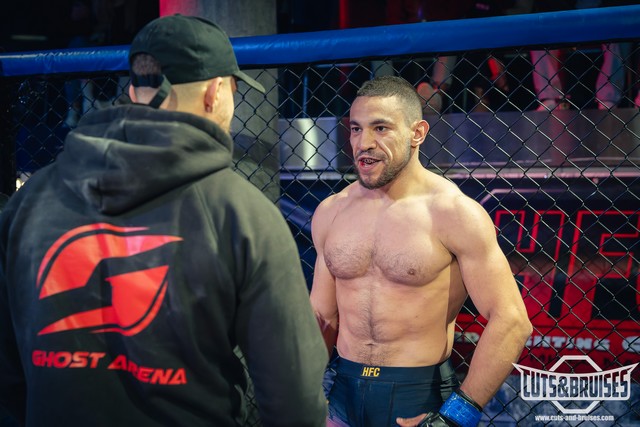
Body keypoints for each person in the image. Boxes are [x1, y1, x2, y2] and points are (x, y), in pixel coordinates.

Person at [0, 14, 328, 427]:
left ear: (134, 89)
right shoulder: (243, 215)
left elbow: (7, 376)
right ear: (215, 92)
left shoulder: (29, 201)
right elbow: (294, 399)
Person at [310, 75, 532, 427]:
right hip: (342, 391)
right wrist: (303, 391)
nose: (364, 143)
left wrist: (456, 417)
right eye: (356, 129)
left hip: (420, 396)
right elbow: (322, 316)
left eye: (381, 128)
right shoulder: (331, 212)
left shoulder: (453, 213)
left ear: (417, 133)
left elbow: (512, 320)